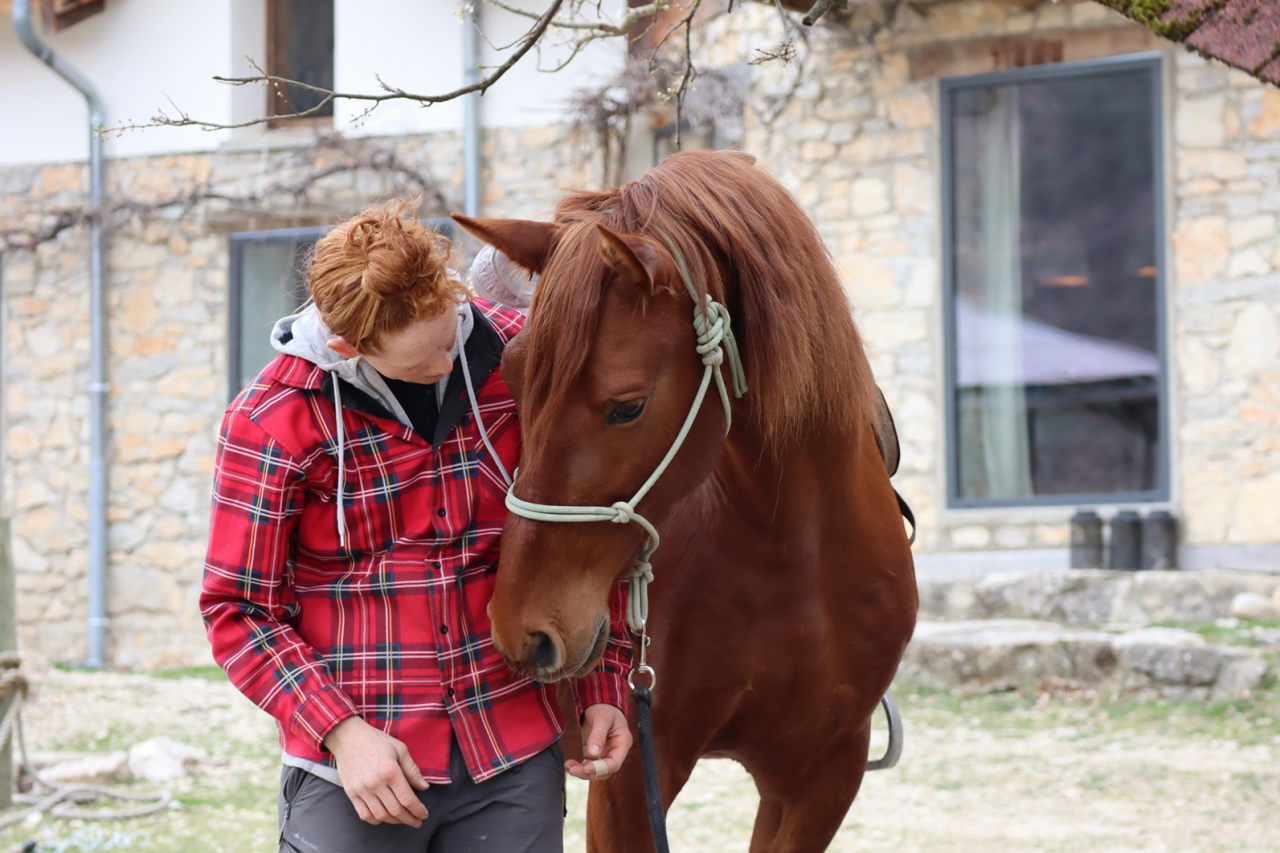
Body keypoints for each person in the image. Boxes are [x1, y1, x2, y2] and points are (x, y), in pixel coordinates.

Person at [200, 200, 633, 853]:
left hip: (511, 755)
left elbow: (591, 521)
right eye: (423, 360)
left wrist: (604, 684)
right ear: (348, 348)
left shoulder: (521, 360)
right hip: (362, 771)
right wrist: (340, 730)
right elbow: (238, 610)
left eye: (450, 333)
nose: (448, 360)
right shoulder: (269, 422)